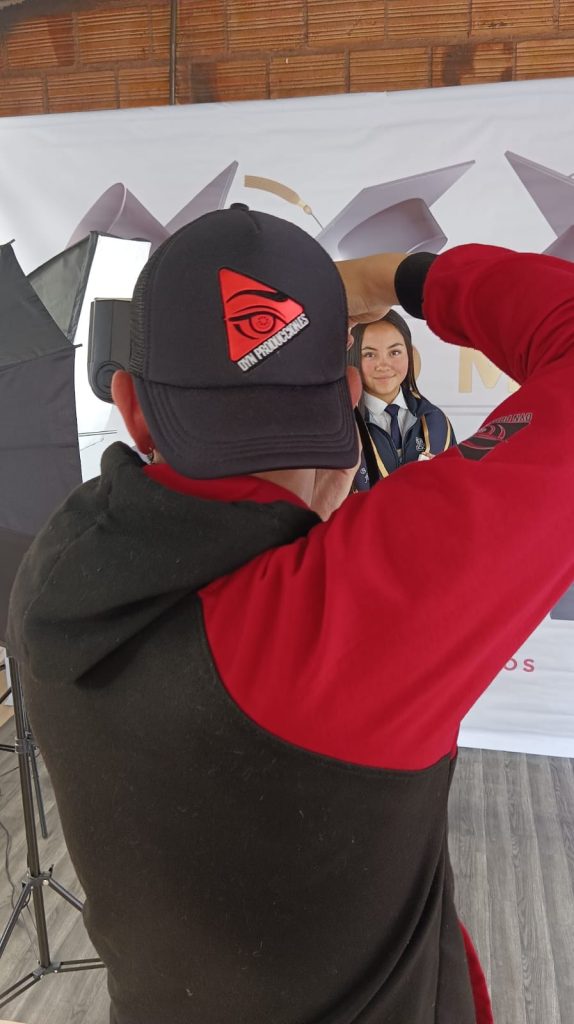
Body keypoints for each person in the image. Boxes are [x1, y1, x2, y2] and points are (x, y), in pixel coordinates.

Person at [7, 206, 574, 1024]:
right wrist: (400, 277)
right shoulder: (342, 624)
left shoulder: (52, 571)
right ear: (347, 397)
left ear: (129, 408)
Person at [348, 309, 456, 488]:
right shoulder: (342, 427)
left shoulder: (436, 421)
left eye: (394, 352)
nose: (383, 365)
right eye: (369, 354)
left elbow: (454, 491)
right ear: (352, 357)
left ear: (409, 354)